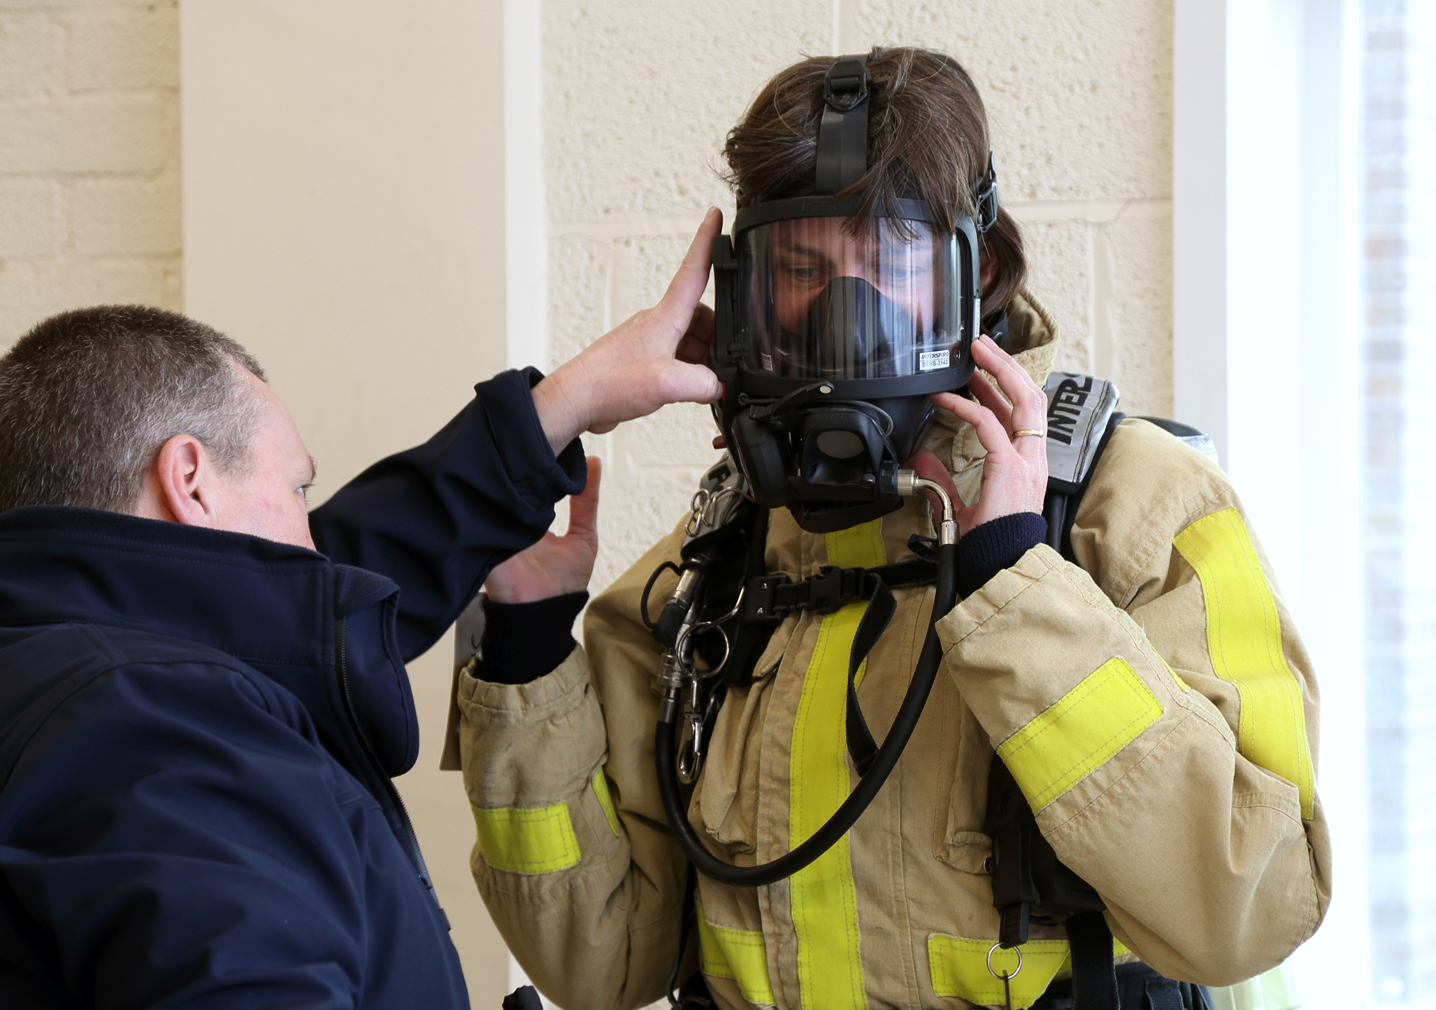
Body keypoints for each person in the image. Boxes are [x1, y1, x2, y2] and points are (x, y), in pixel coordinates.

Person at [458, 47, 1331, 1010]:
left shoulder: (1137, 512)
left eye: (889, 259)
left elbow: (1252, 908)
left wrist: (1017, 584)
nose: (845, 310)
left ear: (978, 268)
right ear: (746, 292)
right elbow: (600, 969)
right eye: (800, 267)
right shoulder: (714, 566)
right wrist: (527, 643)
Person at [0, 213, 723, 1009]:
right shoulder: (165, 727)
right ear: (191, 479)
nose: (314, 543)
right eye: (297, 488)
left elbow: (305, 610)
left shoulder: (55, 671)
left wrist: (559, 407)